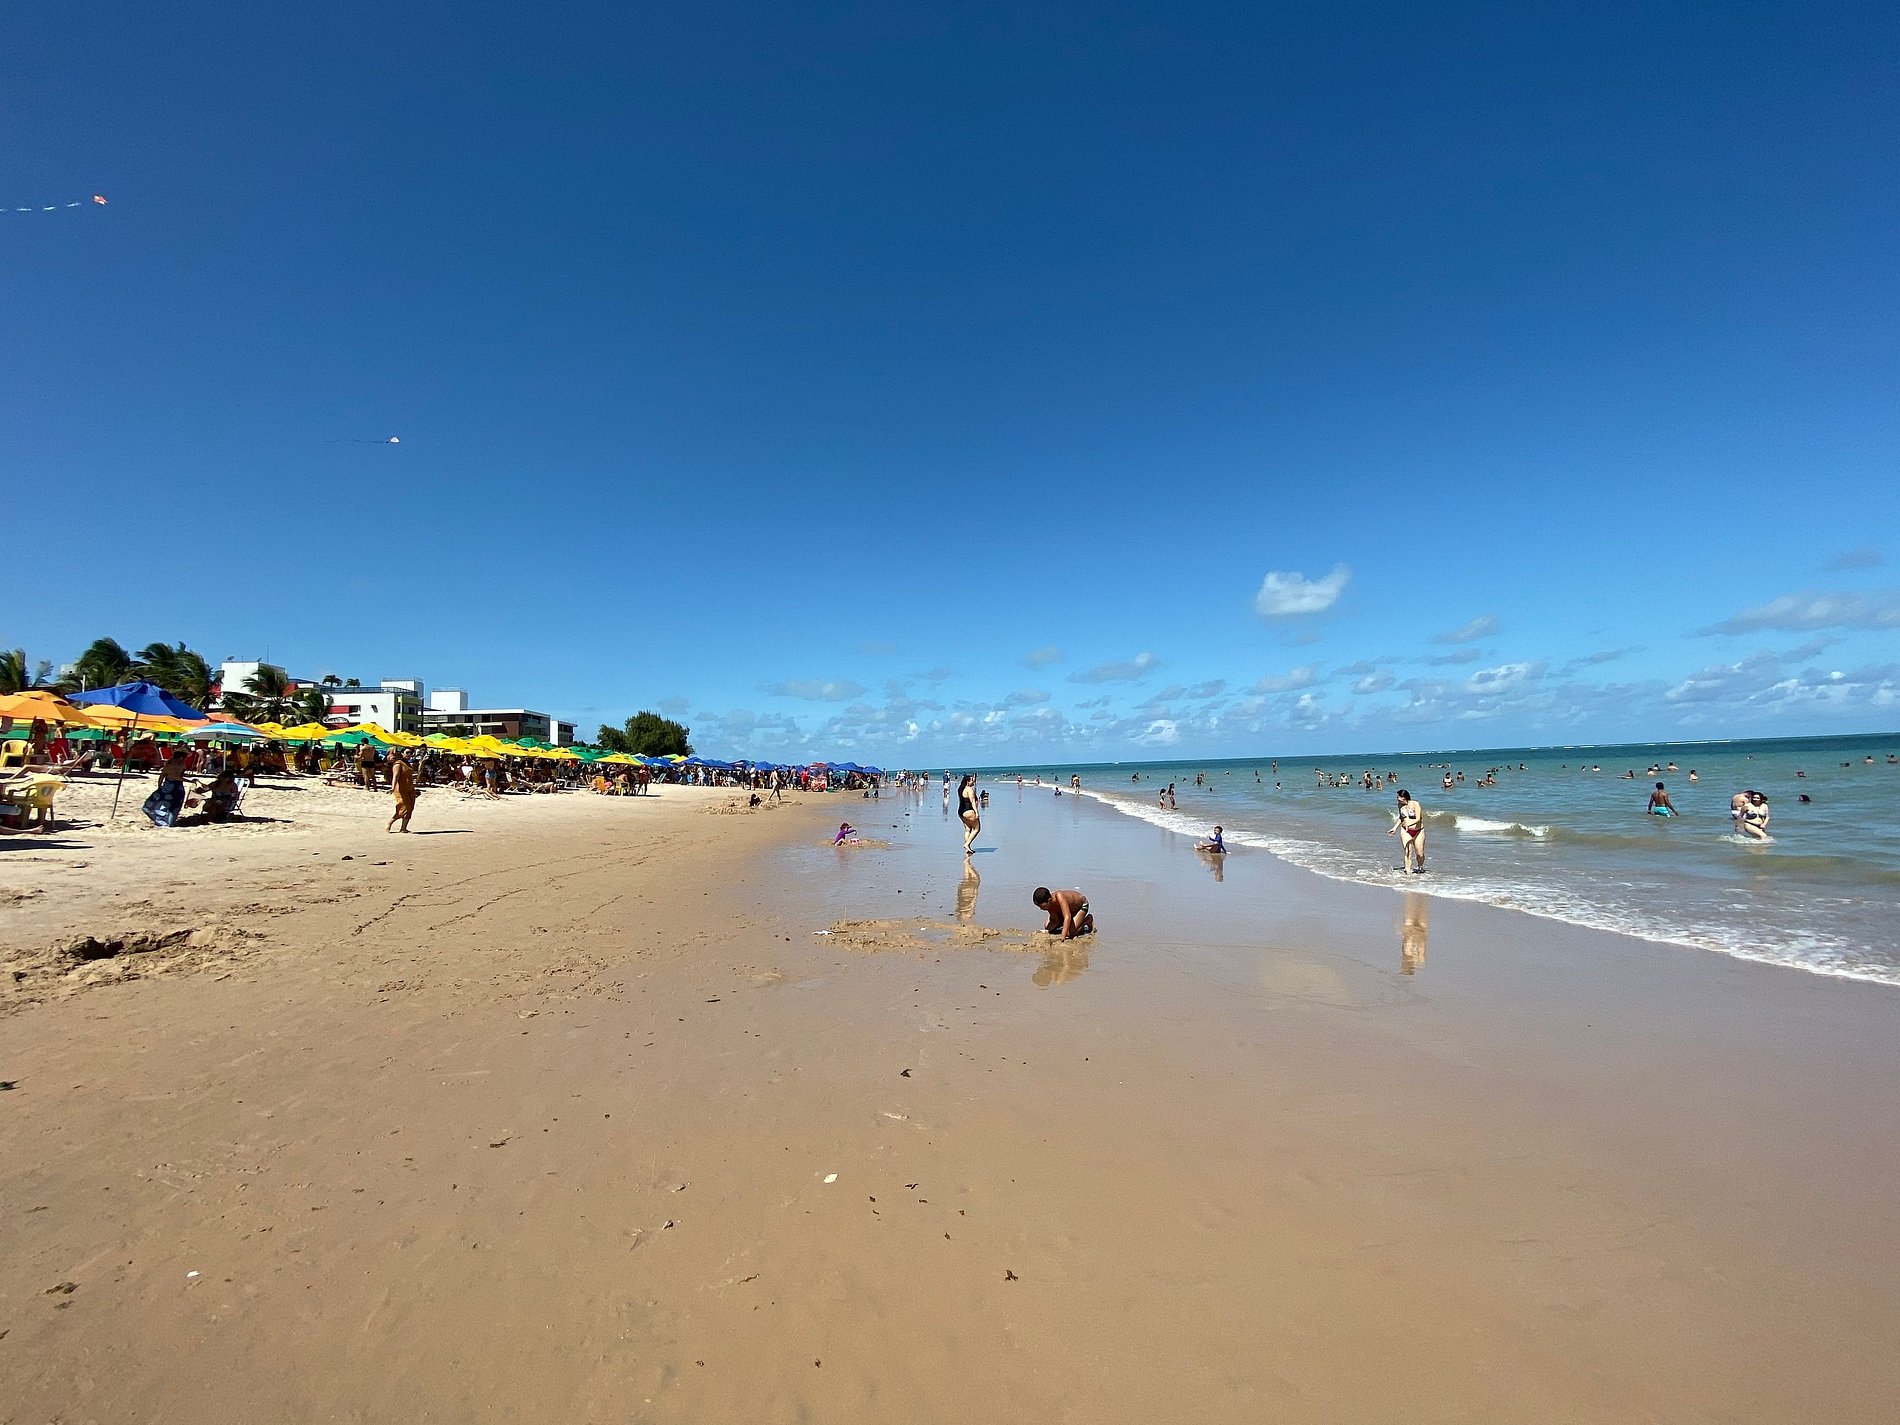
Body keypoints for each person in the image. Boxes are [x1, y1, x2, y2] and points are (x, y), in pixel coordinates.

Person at [141, 746, 191, 828]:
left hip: (167, 785)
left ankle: (161, 819)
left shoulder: (169, 762)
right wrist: (189, 781)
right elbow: (176, 776)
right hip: (176, 786)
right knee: (174, 805)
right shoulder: (180, 764)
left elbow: (162, 775)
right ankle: (168, 821)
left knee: (161, 803)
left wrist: (159, 786)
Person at [1389, 789, 1425, 873]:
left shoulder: (1415, 804)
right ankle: (1407, 871)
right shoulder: (1400, 805)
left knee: (1420, 853)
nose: (1397, 798)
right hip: (1405, 831)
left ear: (1403, 797)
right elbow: (1401, 818)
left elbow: (1418, 818)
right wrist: (1395, 828)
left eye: (1398, 797)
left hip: (1418, 831)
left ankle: (1420, 866)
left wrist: (1409, 824)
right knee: (1407, 851)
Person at [387, 751, 418, 833]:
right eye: (407, 752)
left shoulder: (408, 763)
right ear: (402, 753)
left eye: (410, 753)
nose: (409, 754)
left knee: (410, 808)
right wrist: (393, 787)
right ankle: (389, 823)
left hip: (410, 788)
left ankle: (403, 828)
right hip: (401, 789)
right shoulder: (398, 764)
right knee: (403, 807)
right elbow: (395, 776)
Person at [957, 773, 980, 855]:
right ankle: (967, 844)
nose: (973, 781)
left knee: (967, 829)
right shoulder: (969, 790)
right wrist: (976, 812)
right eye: (972, 780)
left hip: (960, 811)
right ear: (968, 781)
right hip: (968, 811)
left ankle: (968, 848)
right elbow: (972, 801)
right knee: (977, 828)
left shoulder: (960, 789)